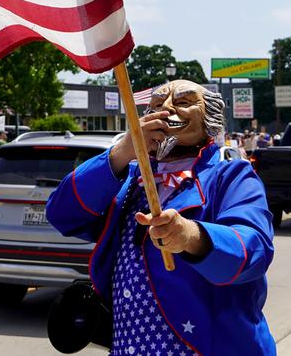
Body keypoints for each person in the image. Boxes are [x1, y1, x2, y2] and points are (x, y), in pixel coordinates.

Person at [46, 79, 275, 355]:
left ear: (210, 119)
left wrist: (191, 237)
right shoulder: (129, 179)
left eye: (183, 101)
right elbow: (62, 213)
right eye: (155, 105)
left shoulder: (231, 176)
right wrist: (123, 152)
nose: (165, 109)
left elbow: (254, 249)